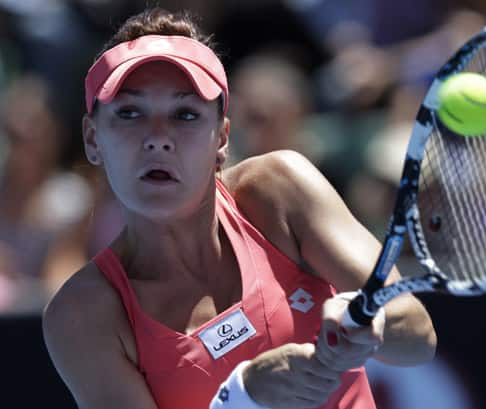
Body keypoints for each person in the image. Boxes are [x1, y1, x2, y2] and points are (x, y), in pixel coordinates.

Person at [42, 8, 436, 409]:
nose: (157, 138)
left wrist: (366, 321)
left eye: (185, 114)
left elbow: (418, 335)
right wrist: (242, 396)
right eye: (130, 113)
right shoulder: (82, 315)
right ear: (93, 139)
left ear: (222, 140)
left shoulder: (279, 189)